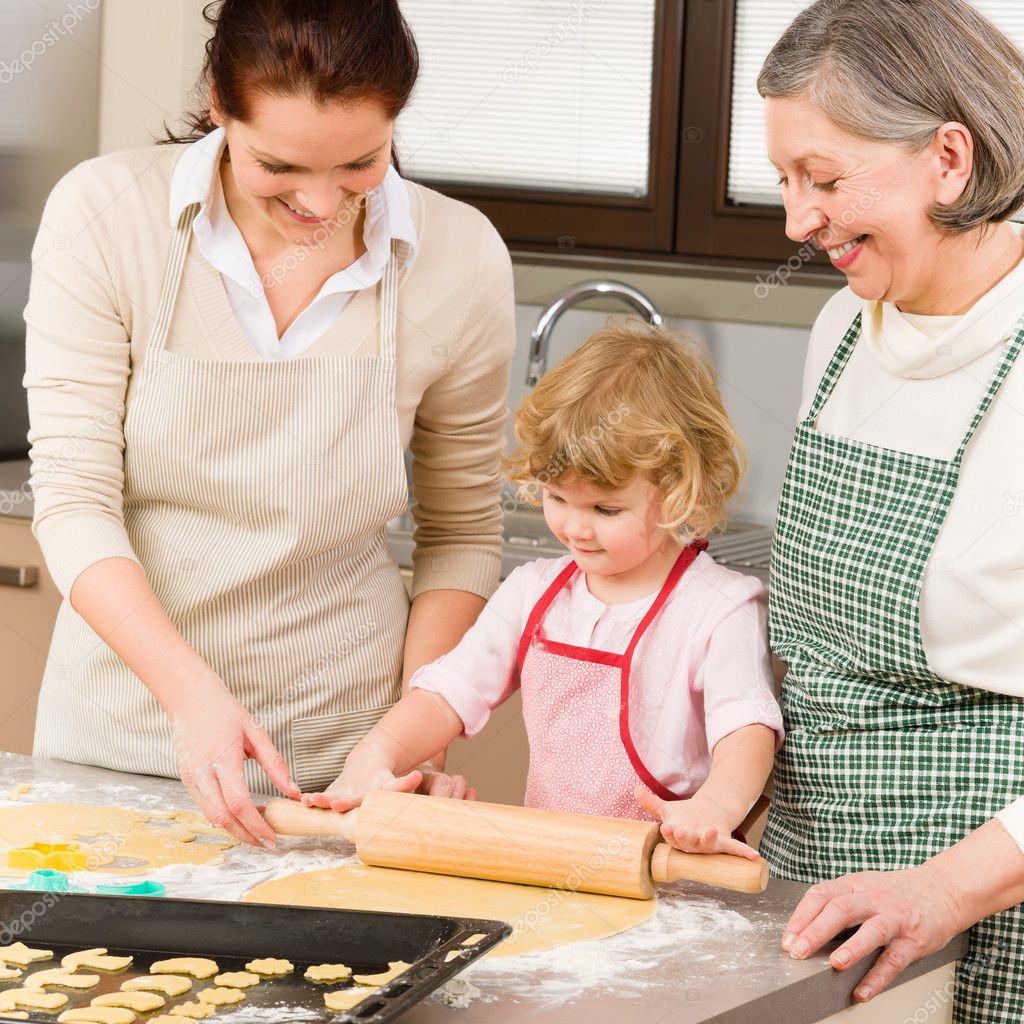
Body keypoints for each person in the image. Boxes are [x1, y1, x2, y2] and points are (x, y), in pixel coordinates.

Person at [22, 0, 515, 847]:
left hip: (343, 776)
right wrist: (192, 699)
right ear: (218, 103)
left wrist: (401, 738)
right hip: (116, 751)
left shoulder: (460, 256)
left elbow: (463, 531)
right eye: (280, 166)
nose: (322, 203)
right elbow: (73, 501)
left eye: (361, 162)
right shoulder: (108, 215)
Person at [758, 0, 1024, 1018]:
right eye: (784, 181)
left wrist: (942, 890)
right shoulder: (839, 329)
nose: (795, 221)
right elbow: (816, 656)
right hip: (810, 894)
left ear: (947, 158)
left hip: (988, 910)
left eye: (823, 180)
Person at [302, 320, 783, 858]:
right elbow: (446, 696)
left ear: (680, 491)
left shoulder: (717, 609)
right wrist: (375, 755)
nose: (575, 528)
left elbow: (746, 730)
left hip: (673, 874)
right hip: (552, 859)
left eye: (605, 509)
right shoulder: (535, 592)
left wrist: (713, 811)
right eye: (558, 498)